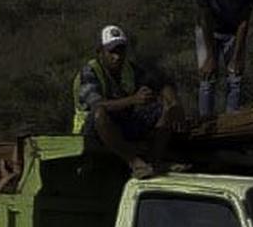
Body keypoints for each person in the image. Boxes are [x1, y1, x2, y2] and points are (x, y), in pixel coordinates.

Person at [72, 24, 185, 178]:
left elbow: (160, 82)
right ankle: (134, 162)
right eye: (112, 52)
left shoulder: (129, 69)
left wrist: (174, 104)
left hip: (122, 123)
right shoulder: (89, 72)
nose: (117, 57)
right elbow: (97, 105)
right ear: (100, 52)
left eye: (121, 51)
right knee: (100, 114)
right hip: (92, 131)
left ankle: (154, 161)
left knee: (164, 109)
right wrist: (133, 100)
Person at [193, 0, 253, 117]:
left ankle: (232, 120)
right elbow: (205, 19)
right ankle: (205, 122)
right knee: (207, 78)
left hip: (233, 32)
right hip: (207, 31)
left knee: (235, 77)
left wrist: (237, 56)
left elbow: (244, 21)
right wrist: (210, 57)